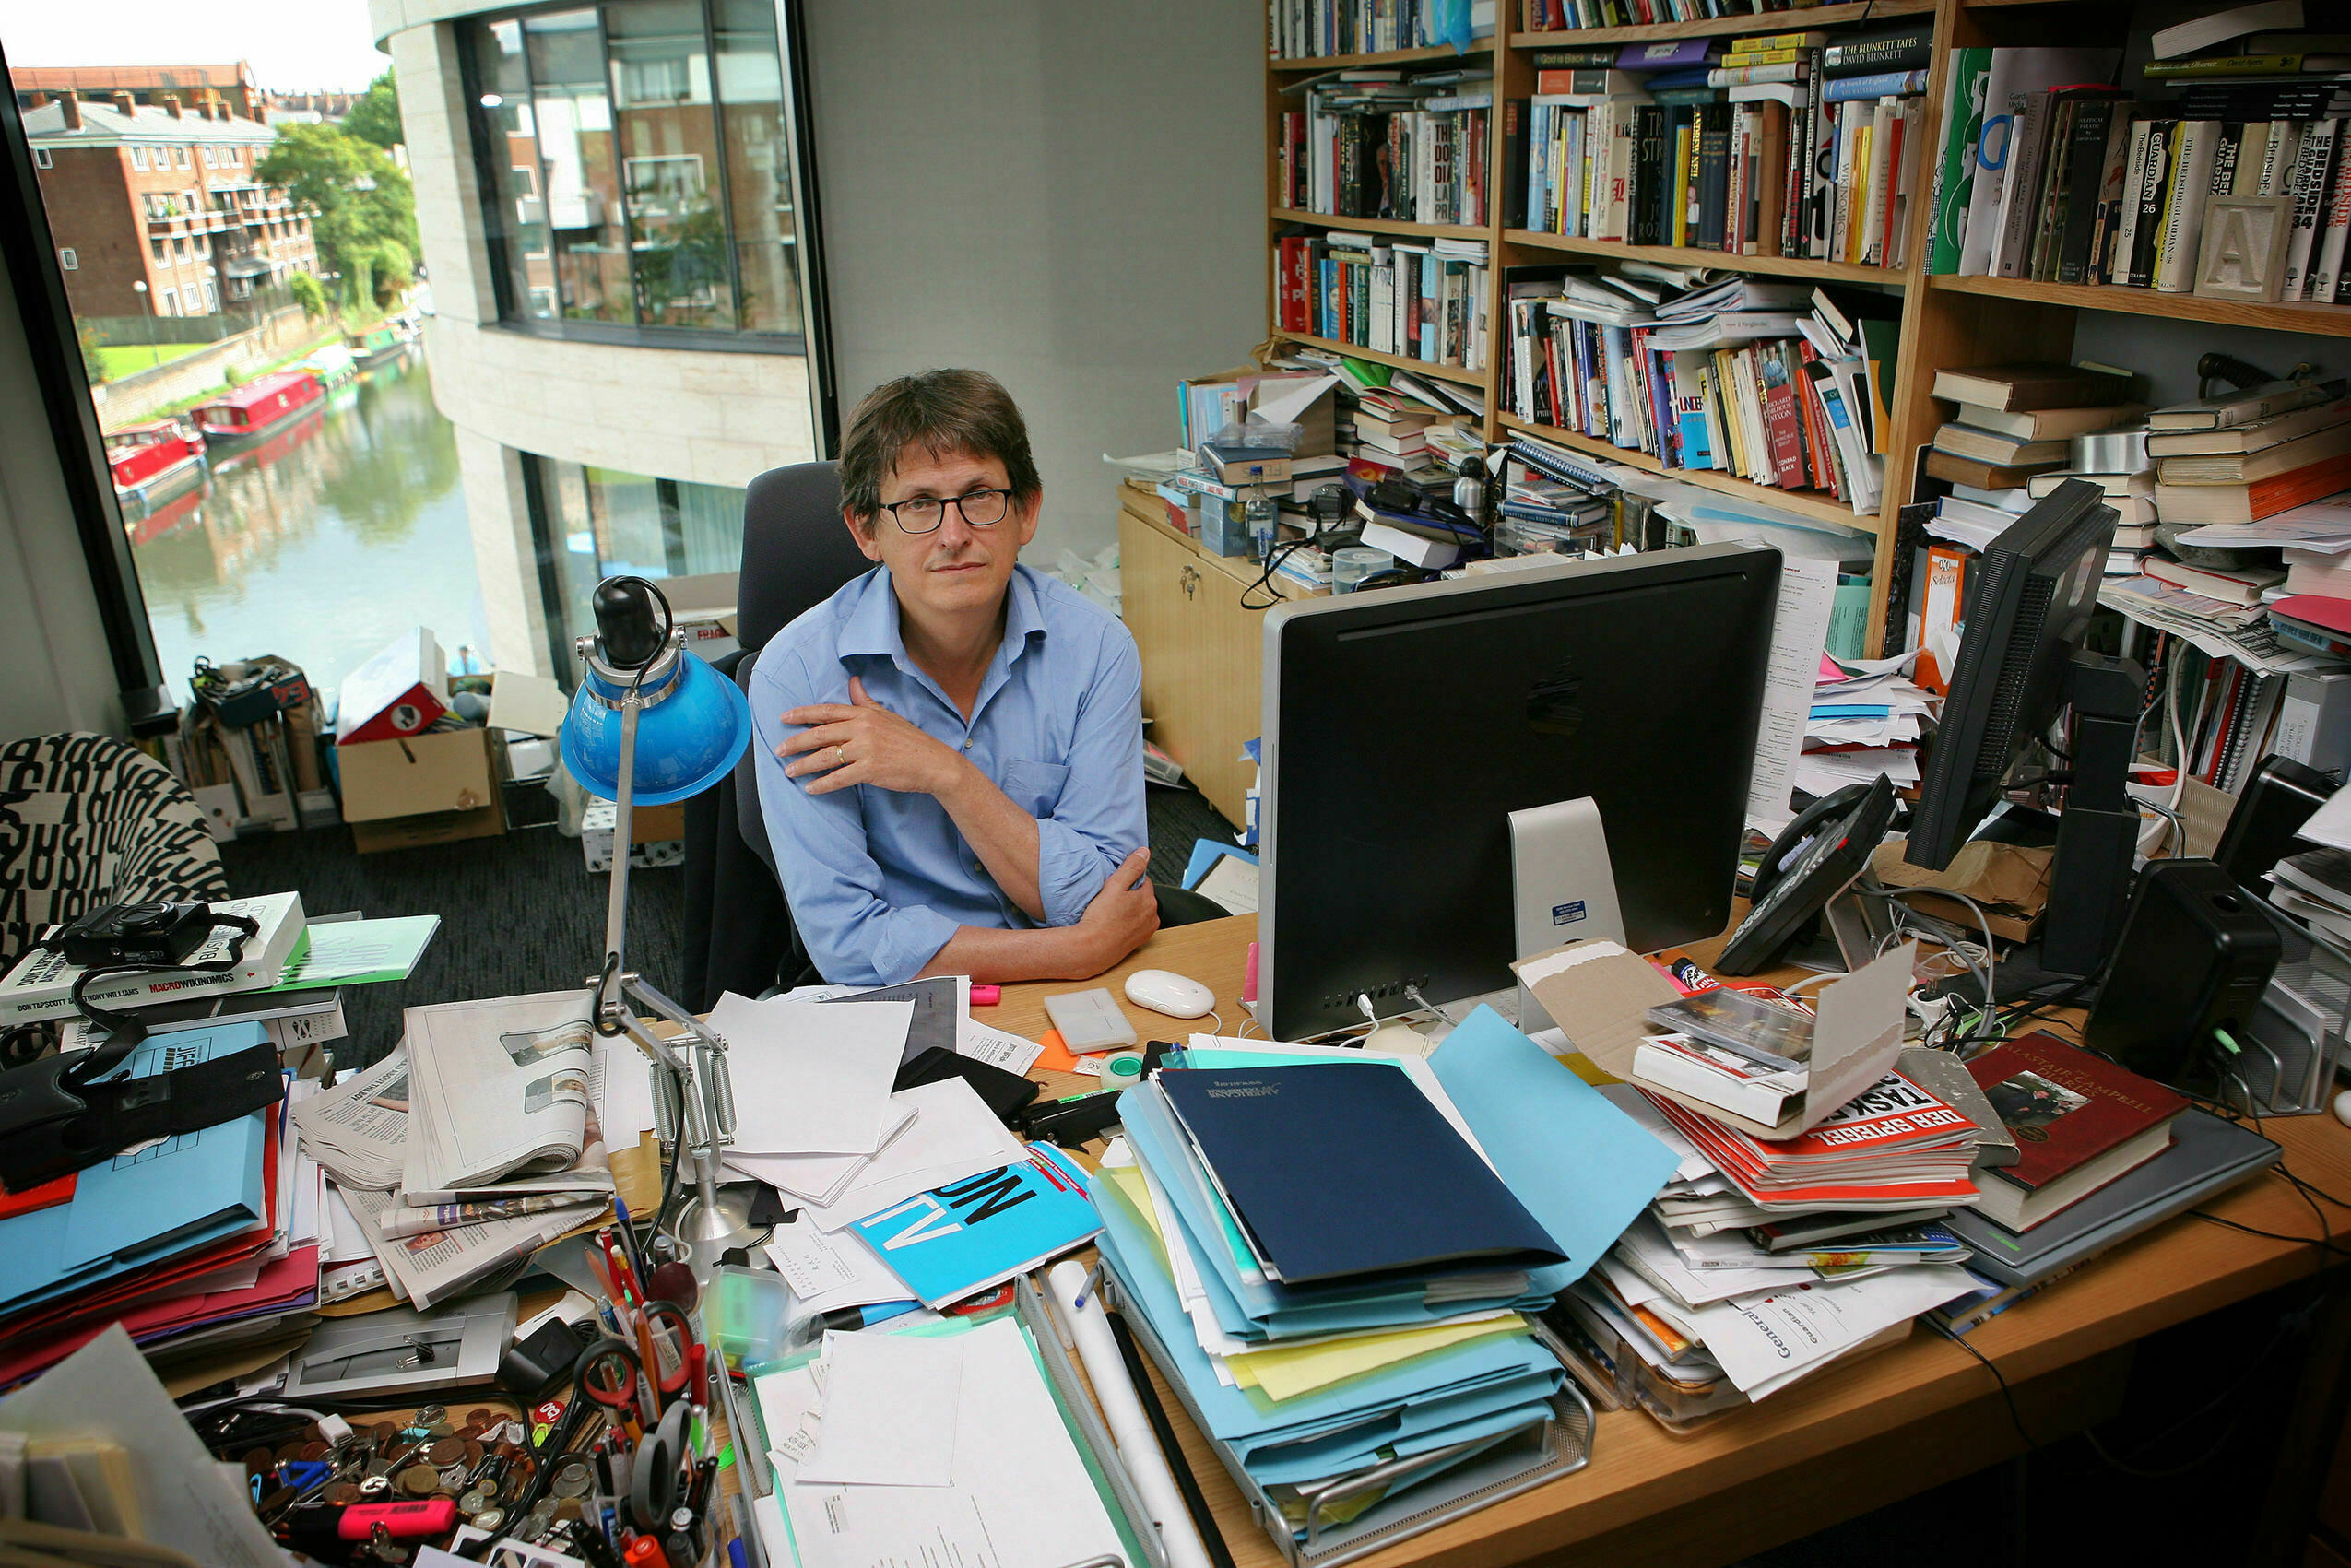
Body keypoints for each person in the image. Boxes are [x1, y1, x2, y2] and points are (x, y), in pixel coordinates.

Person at [749, 369, 1159, 986]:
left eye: (980, 496)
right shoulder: (799, 676)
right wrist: (1072, 953)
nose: (954, 534)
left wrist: (947, 774)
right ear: (866, 531)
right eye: (917, 504)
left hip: (1085, 985)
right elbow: (847, 944)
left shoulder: (1098, 649)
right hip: (910, 999)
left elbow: (1110, 889)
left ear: (1026, 510)